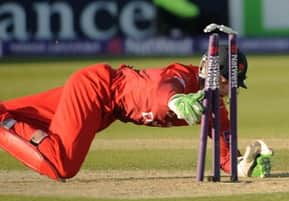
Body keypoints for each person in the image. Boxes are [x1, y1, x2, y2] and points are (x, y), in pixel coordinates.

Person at [0, 47, 273, 181]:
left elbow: (225, 158)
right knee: (61, 165)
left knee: (11, 111)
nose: (229, 91)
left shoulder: (216, 107)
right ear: (211, 72)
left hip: (106, 110)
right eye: (227, 82)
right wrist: (176, 102)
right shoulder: (181, 76)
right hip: (95, 89)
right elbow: (159, 89)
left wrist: (245, 165)